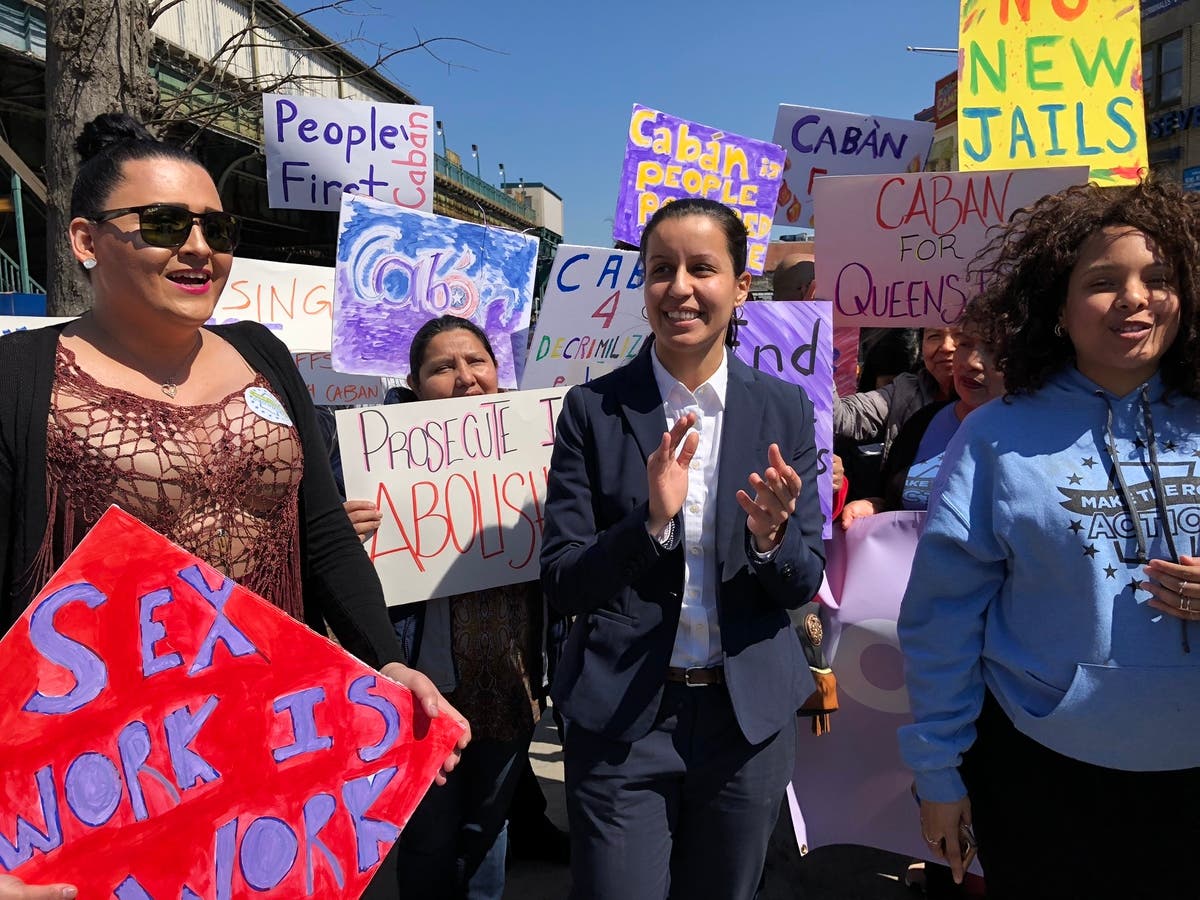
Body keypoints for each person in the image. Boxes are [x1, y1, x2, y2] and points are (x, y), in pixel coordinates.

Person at [0, 114, 468, 895]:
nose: (199, 248)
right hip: (106, 781)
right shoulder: (19, 377)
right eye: (163, 223)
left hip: (274, 754)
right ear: (86, 241)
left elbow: (318, 532)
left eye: (217, 228)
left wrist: (385, 658)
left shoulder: (263, 355)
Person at [898, 180, 1200, 898]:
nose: (1135, 298)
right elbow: (942, 621)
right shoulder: (995, 437)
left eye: (1158, 278)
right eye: (1102, 282)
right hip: (1041, 775)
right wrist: (938, 771)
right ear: (1056, 310)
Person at [540, 198, 826, 900]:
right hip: (623, 723)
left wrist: (771, 541)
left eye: (703, 268)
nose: (681, 288)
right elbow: (563, 579)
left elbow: (805, 578)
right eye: (661, 269)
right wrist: (649, 527)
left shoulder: (782, 409)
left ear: (741, 285)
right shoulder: (594, 409)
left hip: (745, 725)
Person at [344, 315, 545, 900]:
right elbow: (330, 567)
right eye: (443, 367)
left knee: (489, 830)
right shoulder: (372, 456)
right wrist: (345, 531)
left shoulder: (533, 442)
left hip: (512, 685)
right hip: (426, 690)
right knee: (429, 836)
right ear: (413, 383)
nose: (465, 378)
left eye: (476, 362)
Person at [840, 313, 1004, 525]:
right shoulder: (922, 421)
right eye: (966, 343)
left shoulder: (1037, 437)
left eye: (992, 349)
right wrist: (876, 508)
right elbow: (898, 500)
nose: (971, 361)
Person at [834, 325, 957, 462]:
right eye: (934, 336)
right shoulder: (904, 391)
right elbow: (842, 418)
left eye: (959, 335)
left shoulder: (984, 404)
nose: (946, 347)